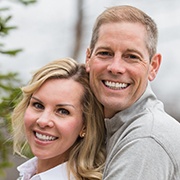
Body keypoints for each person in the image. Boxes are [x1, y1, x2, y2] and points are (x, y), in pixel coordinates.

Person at [85, 5, 180, 180]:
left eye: (132, 56)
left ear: (153, 66)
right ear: (88, 59)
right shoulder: (104, 127)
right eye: (105, 53)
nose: (115, 67)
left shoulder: (146, 139)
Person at [11, 58, 106, 180]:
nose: (43, 121)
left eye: (62, 111)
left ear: (85, 126)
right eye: (38, 105)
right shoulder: (27, 174)